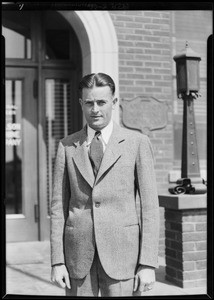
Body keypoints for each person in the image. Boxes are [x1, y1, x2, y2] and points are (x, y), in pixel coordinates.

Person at [50, 73, 160, 297]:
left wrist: (148, 263)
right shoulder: (67, 146)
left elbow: (149, 208)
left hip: (123, 256)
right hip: (78, 257)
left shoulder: (137, 143)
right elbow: (57, 208)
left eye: (101, 102)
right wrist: (57, 261)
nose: (95, 109)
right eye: (89, 103)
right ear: (81, 104)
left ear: (114, 102)